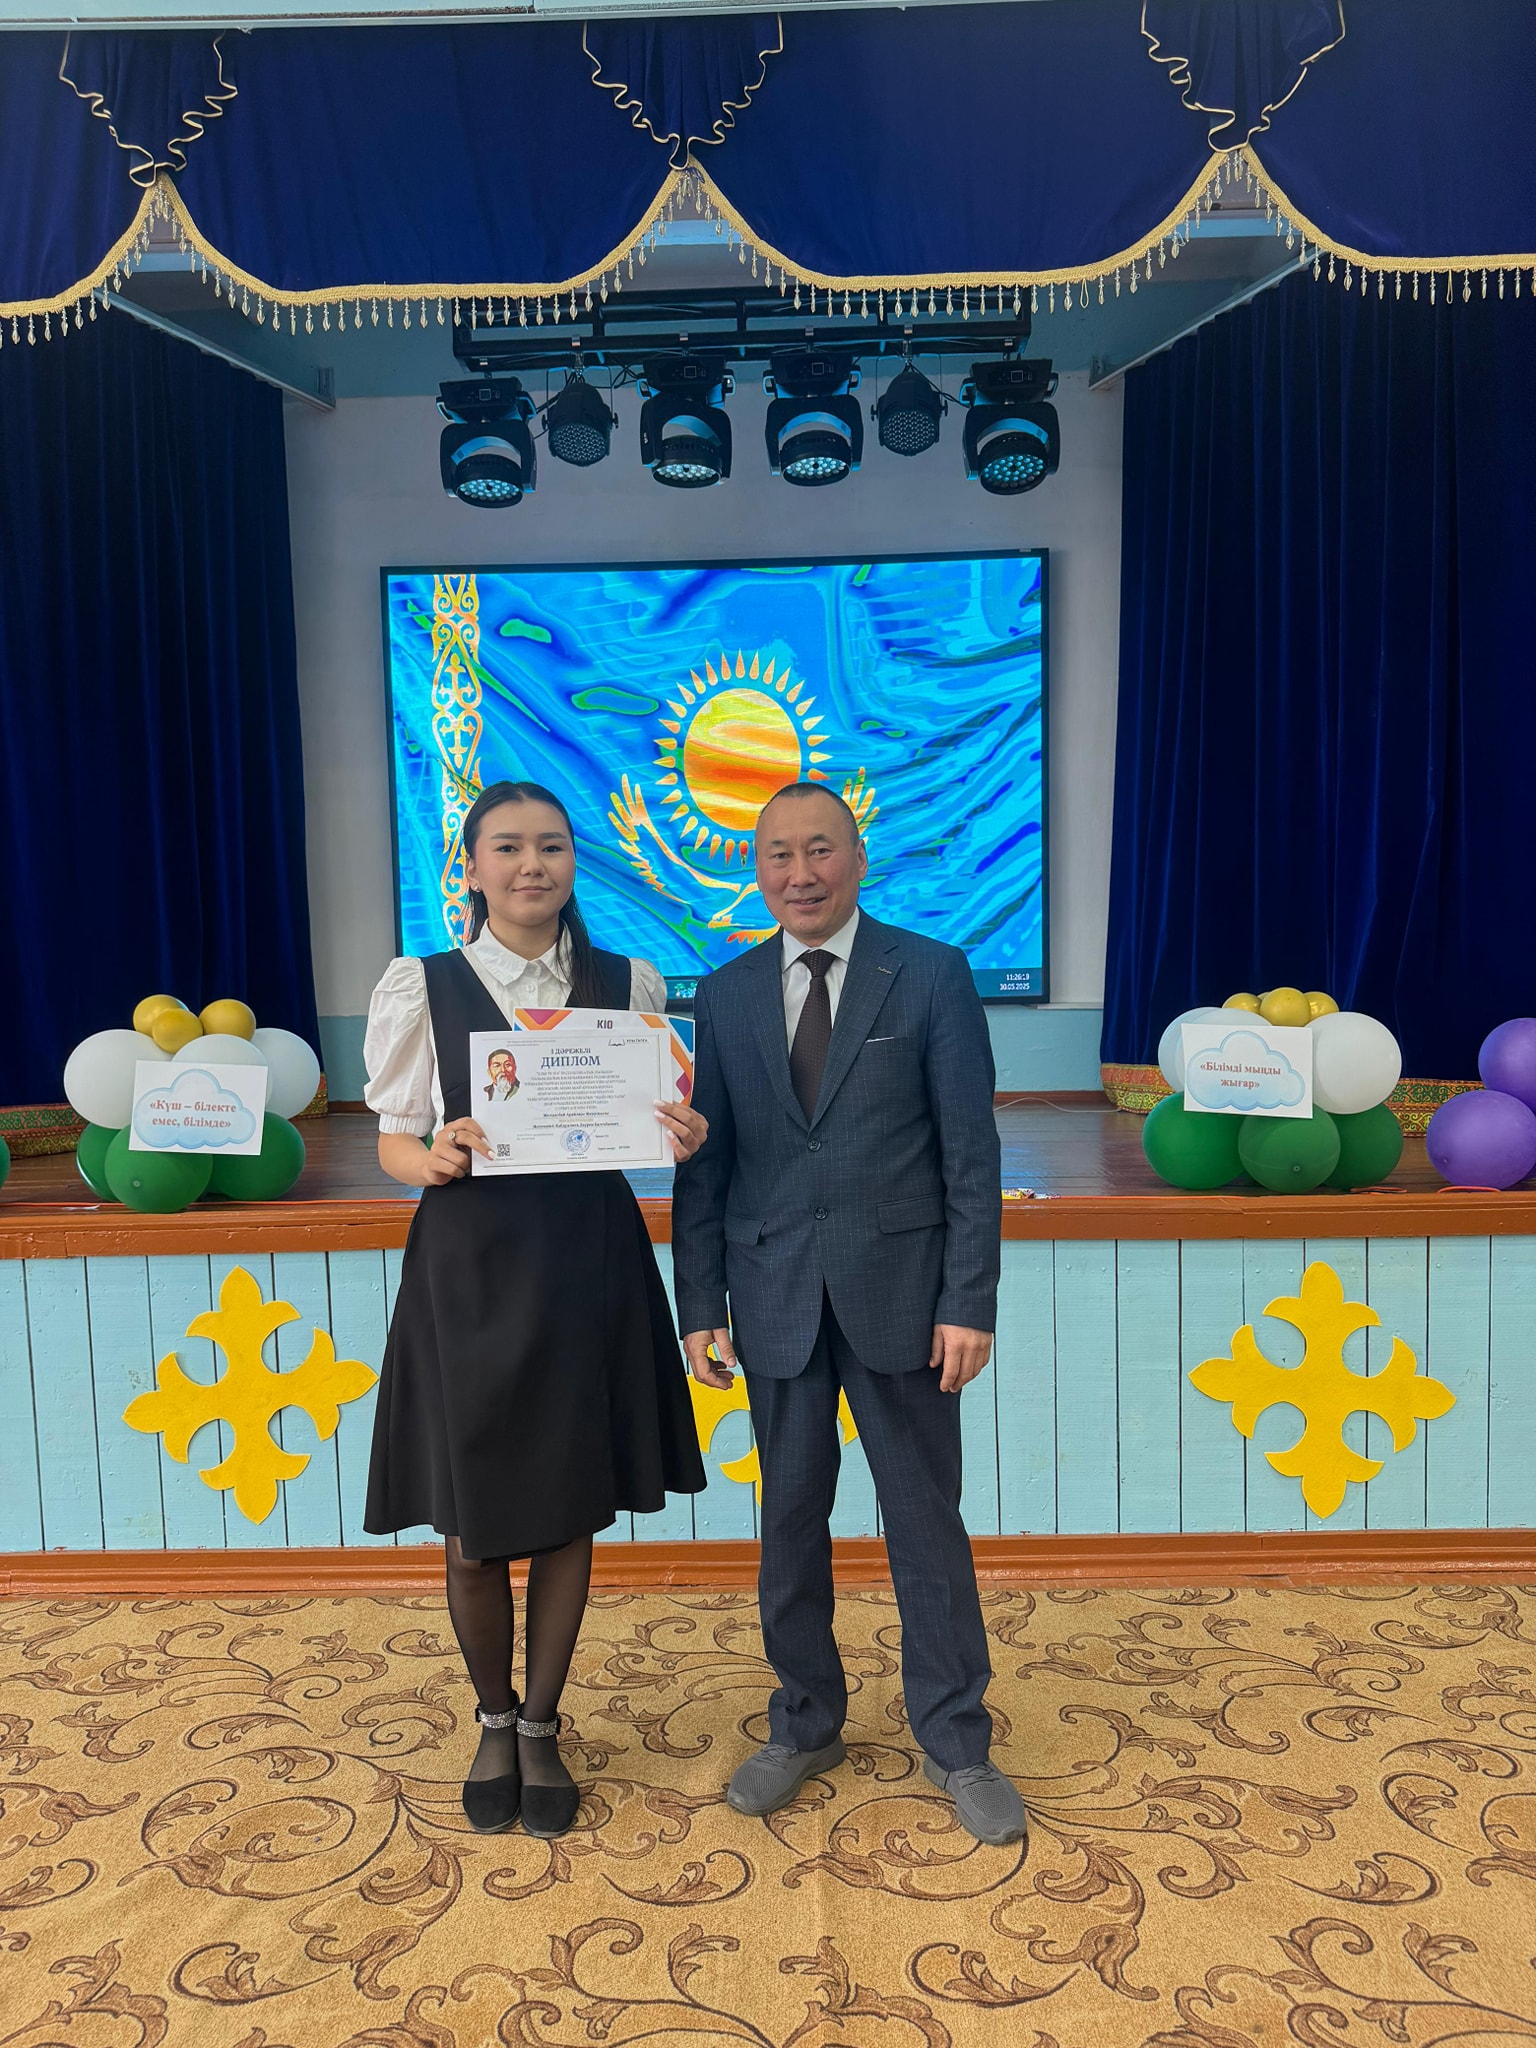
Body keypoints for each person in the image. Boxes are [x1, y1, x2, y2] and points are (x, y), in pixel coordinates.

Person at [671, 782, 1022, 1847]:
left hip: (904, 1300)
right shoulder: (724, 992)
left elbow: (970, 1154)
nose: (800, 873)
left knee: (924, 1522)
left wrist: (969, 1299)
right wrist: (699, 1303)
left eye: (819, 849)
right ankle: (805, 1723)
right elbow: (706, 1165)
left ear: (858, 858)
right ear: (757, 868)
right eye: (778, 854)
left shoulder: (931, 972)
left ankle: (957, 1739)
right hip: (771, 1296)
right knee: (788, 1523)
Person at [363, 778, 707, 1839]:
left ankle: (545, 1723)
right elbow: (392, 1139)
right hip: (469, 1264)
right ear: (470, 867)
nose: (531, 865)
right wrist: (430, 1157)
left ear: (572, 861)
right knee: (473, 1522)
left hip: (588, 1261)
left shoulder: (627, 981)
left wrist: (682, 1133)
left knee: (569, 1505)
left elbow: (655, 1119)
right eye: (507, 847)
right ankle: (493, 1717)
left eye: (550, 845)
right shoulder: (420, 984)